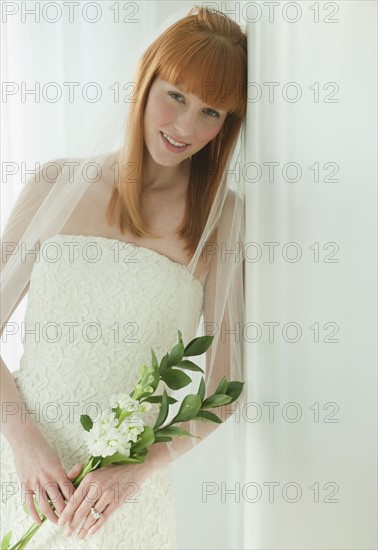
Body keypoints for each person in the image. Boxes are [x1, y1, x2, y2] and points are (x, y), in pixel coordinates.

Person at [0, 6, 247, 549]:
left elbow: (225, 391)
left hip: (119, 504)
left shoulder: (220, 221)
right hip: (20, 471)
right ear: (146, 79)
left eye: (212, 113)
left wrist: (136, 469)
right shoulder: (53, 184)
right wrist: (23, 442)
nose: (185, 127)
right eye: (176, 95)